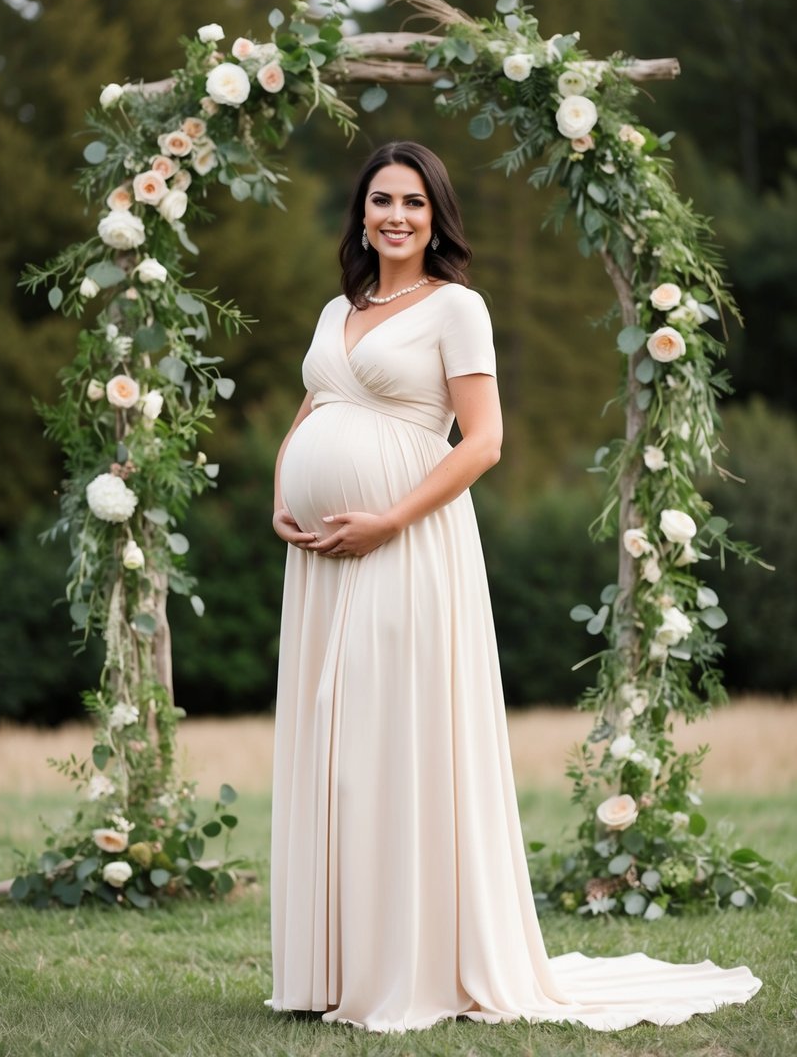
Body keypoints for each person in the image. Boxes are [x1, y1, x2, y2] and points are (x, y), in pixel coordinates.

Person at [267, 141, 760, 1032]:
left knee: (387, 744)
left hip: (404, 549)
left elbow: (483, 441)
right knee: (334, 749)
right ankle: (332, 967)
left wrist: (385, 520)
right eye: (381, 200)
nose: (396, 217)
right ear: (360, 214)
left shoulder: (457, 308)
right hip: (320, 562)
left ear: (436, 215)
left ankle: (405, 968)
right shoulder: (336, 309)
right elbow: (312, 408)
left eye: (413, 202)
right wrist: (280, 496)